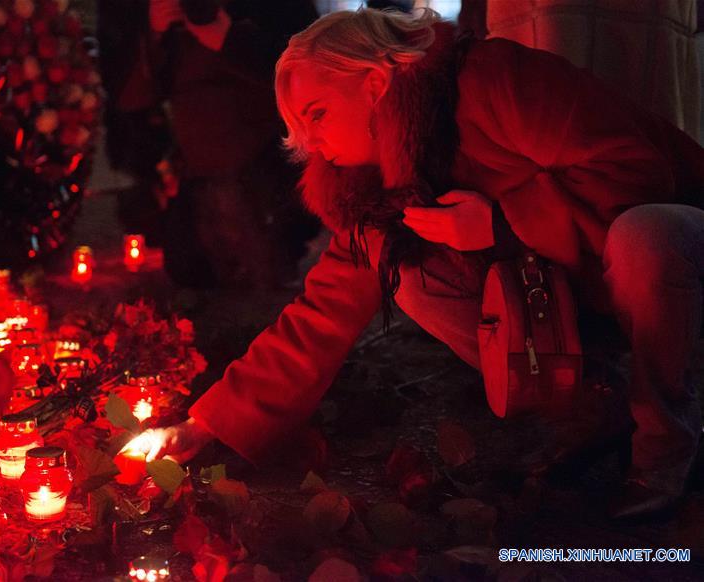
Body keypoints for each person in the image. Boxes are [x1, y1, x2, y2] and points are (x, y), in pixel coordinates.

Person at [136, 8, 704, 521]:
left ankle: (663, 448)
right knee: (407, 271)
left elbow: (636, 169)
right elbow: (322, 312)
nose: (311, 143)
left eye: (317, 114)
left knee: (643, 235)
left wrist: (504, 223)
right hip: (585, 289)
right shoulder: (372, 186)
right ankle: (593, 407)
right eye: (300, 128)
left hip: (679, 248)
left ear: (376, 81)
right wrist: (207, 424)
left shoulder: (492, 79)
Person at [101, 0, 321, 291]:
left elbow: (307, 77)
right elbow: (132, 100)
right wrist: (153, 34)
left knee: (259, 267)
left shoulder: (277, 10)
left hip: (265, 163)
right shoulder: (169, 22)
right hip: (198, 170)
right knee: (190, 268)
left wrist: (230, 41)